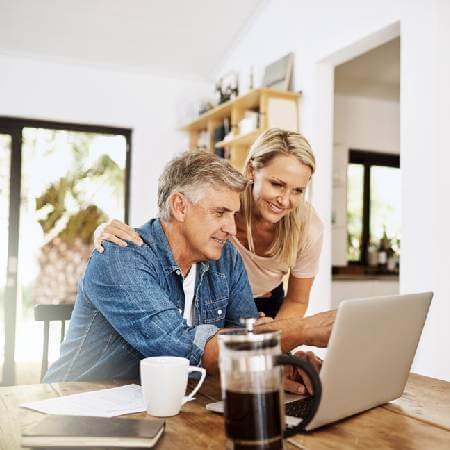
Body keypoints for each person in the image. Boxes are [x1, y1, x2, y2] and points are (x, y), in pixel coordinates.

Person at [44, 151, 335, 393]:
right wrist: (304, 330)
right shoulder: (120, 257)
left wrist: (284, 364)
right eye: (220, 213)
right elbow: (185, 347)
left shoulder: (225, 257)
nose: (232, 228)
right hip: (74, 407)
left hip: (165, 405)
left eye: (233, 215)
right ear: (180, 206)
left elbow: (249, 332)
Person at [95, 128, 323, 319]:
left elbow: (297, 300)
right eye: (276, 184)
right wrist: (109, 235)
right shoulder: (223, 195)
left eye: (298, 190)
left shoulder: (308, 228)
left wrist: (279, 342)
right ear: (252, 170)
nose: (284, 200)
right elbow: (171, 226)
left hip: (265, 302)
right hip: (212, 293)